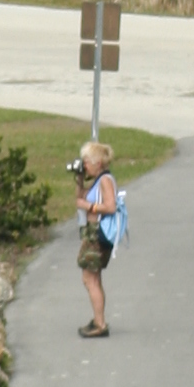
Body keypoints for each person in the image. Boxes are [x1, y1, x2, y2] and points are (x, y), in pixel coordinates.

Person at [74, 138, 118, 338]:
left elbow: (110, 207)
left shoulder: (105, 181)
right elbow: (79, 198)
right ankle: (98, 319)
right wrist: (80, 181)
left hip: (97, 234)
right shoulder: (98, 181)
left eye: (87, 162)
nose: (85, 166)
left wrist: (90, 207)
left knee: (90, 278)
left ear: (98, 163)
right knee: (93, 278)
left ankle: (100, 323)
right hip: (92, 232)